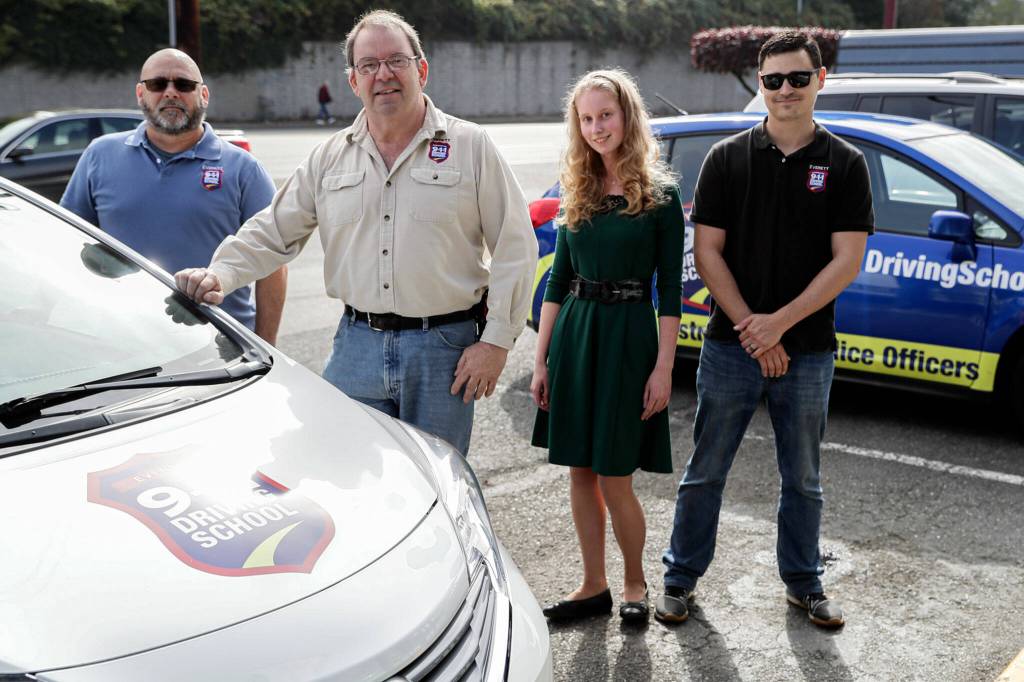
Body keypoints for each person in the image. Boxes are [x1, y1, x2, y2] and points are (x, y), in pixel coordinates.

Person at [174, 10, 537, 456]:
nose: (383, 74)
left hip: (444, 350)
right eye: (368, 65)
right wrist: (221, 273)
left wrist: (497, 342)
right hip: (356, 347)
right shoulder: (329, 158)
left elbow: (516, 246)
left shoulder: (471, 146)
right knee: (345, 475)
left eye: (396, 61)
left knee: (440, 486)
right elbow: (272, 230)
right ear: (353, 81)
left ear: (421, 69)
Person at [656, 31, 874, 628]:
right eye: (774, 80)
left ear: (819, 80)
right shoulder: (727, 158)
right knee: (706, 469)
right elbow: (707, 253)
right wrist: (755, 332)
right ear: (761, 84)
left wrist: (778, 326)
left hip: (806, 350)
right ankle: (679, 579)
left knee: (802, 477)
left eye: (797, 79)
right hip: (731, 347)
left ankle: (804, 583)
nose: (785, 90)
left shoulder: (846, 164)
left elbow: (846, 262)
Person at [530, 69, 683, 623]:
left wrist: (663, 368)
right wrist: (541, 358)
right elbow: (556, 282)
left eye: (605, 115)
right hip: (577, 334)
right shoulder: (576, 187)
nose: (596, 127)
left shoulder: (662, 194)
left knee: (616, 474)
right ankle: (592, 586)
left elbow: (670, 292)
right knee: (579, 471)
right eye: (586, 118)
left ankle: (635, 585)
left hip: (628, 338)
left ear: (627, 117)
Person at [61, 49, 287, 344]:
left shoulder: (244, 169)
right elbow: (67, 242)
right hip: (118, 341)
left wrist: (265, 343)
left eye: (183, 85)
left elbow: (272, 262)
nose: (170, 93)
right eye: (158, 84)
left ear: (203, 95)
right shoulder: (99, 155)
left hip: (220, 345)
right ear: (141, 93)